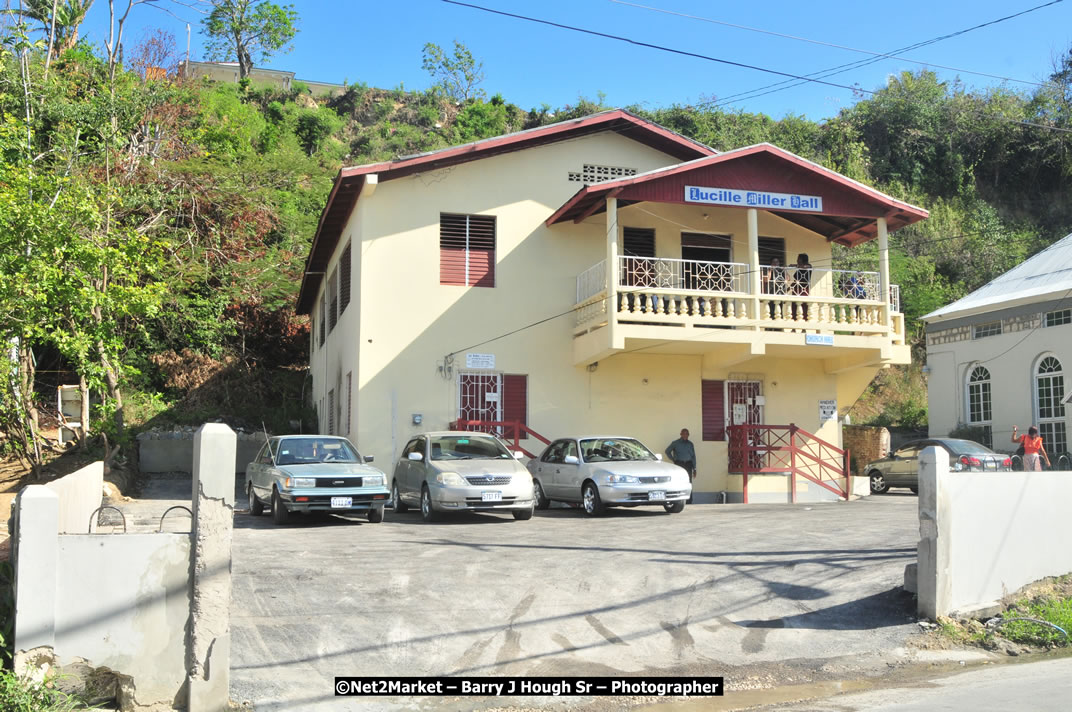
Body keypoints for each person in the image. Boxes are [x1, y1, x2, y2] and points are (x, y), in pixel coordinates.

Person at [665, 428, 697, 503]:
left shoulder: (690, 444)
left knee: (688, 482)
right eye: (684, 434)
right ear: (681, 434)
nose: (685, 435)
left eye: (687, 434)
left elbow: (693, 456)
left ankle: (689, 501)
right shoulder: (675, 443)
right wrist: (673, 459)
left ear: (688, 435)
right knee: (678, 482)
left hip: (688, 464)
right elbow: (667, 451)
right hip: (679, 464)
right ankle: (678, 501)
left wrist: (695, 468)